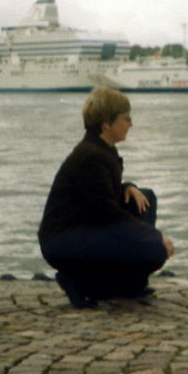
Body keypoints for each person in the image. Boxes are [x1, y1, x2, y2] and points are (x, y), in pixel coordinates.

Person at [38, 87, 174, 307]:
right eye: (126, 118)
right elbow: (107, 213)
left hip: (82, 230)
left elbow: (100, 193)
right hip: (64, 242)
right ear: (106, 124)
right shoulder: (91, 157)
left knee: (145, 199)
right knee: (155, 250)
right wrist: (155, 236)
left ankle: (130, 284)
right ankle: (80, 282)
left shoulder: (101, 150)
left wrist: (128, 187)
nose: (131, 124)